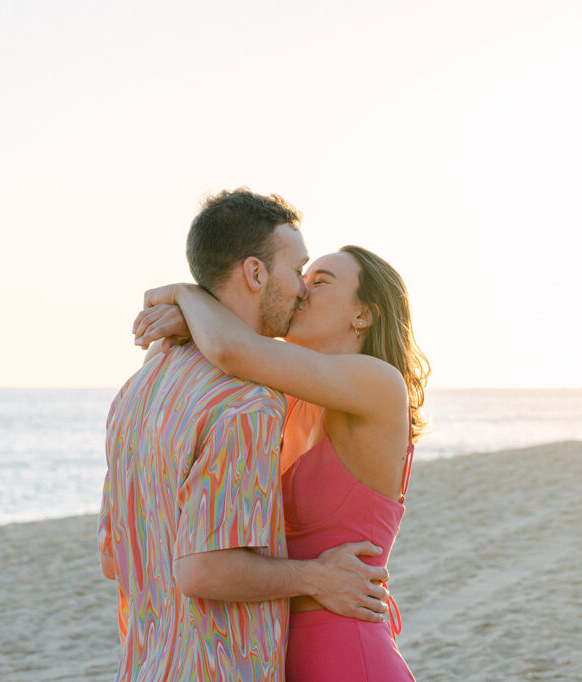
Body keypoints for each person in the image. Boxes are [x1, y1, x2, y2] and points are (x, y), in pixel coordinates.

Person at [98, 189, 392, 681]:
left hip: (153, 663)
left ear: (364, 312)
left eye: (317, 280)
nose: (301, 289)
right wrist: (315, 576)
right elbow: (203, 570)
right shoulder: (250, 402)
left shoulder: (137, 391)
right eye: (300, 272)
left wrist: (188, 300)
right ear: (256, 273)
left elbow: (112, 557)